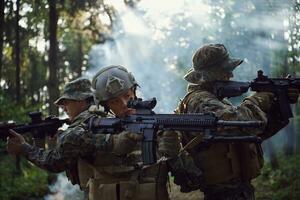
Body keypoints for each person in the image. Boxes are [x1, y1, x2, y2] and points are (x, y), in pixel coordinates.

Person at [175, 43, 299, 200]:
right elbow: (235, 126)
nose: (231, 75)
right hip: (223, 192)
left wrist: (278, 105)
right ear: (211, 74)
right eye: (225, 70)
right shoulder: (200, 100)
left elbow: (251, 133)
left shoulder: (217, 101)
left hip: (237, 190)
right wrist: (257, 101)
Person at [6, 78, 141, 198]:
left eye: (66, 102)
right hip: (130, 190)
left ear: (81, 101)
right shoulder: (107, 117)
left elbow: (53, 163)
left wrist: (24, 148)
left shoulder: (77, 131)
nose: (64, 108)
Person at [90, 65, 180, 200]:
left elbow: (186, 179)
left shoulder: (157, 127)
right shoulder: (97, 131)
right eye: (115, 101)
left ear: (134, 92)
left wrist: (173, 154)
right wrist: (117, 142)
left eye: (127, 96)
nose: (124, 104)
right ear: (106, 106)